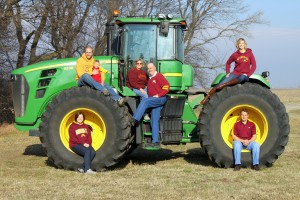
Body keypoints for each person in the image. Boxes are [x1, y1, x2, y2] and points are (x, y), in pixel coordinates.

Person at [201, 38, 256, 104]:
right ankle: (206, 98)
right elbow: (228, 63)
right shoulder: (235, 54)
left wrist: (248, 74)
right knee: (220, 83)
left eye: (242, 43)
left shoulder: (249, 53)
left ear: (245, 44)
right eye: (239, 43)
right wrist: (228, 72)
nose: (241, 45)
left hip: (244, 75)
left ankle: (224, 85)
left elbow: (254, 65)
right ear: (237, 45)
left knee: (242, 77)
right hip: (235, 73)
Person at [130, 63, 170, 148]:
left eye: (151, 68)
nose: (150, 69)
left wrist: (158, 95)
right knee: (154, 120)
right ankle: (155, 142)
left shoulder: (159, 76)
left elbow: (166, 87)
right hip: (154, 101)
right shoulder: (150, 79)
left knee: (145, 101)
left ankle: (135, 119)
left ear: (154, 68)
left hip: (159, 99)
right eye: (148, 68)